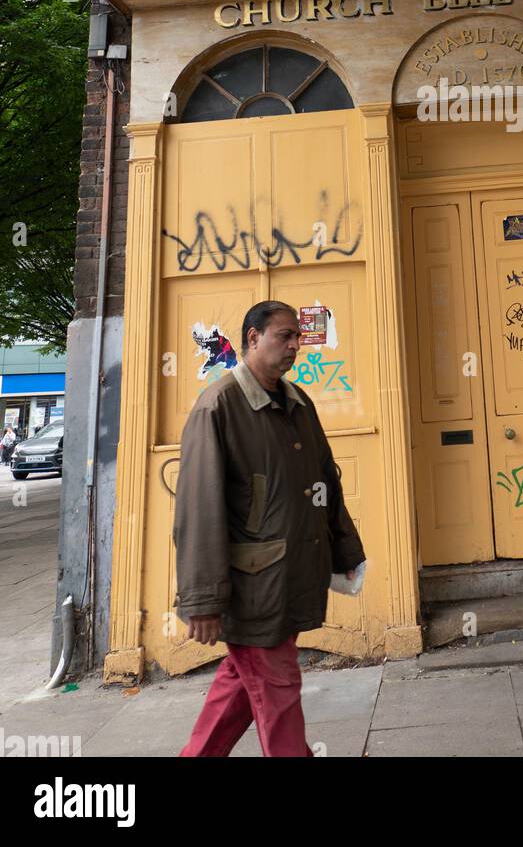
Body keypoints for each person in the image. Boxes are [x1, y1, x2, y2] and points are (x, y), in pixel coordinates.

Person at [174, 299, 366, 758]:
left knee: (242, 685)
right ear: (253, 338)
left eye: (298, 336)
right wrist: (202, 599)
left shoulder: (298, 403)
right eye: (285, 336)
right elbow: (199, 510)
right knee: (278, 690)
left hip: (291, 576)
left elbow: (324, 483)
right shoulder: (217, 407)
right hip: (251, 588)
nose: (296, 345)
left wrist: (345, 554)